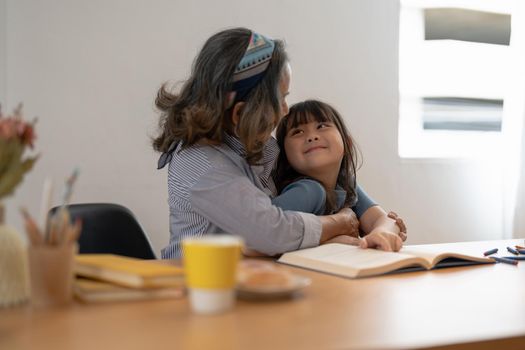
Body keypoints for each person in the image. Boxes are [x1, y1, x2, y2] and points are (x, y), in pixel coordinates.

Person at [154, 27, 399, 259]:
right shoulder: (202, 164)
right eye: (280, 100)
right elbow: (270, 233)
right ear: (239, 114)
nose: (285, 112)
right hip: (195, 282)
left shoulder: (251, 150)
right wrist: (339, 223)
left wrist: (382, 227)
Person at [272, 100, 407, 251]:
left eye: (321, 126)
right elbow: (264, 233)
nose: (311, 136)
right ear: (285, 157)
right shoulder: (308, 191)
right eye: (297, 132)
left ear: (347, 143)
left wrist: (382, 233)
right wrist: (328, 242)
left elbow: (385, 220)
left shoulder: (345, 182)